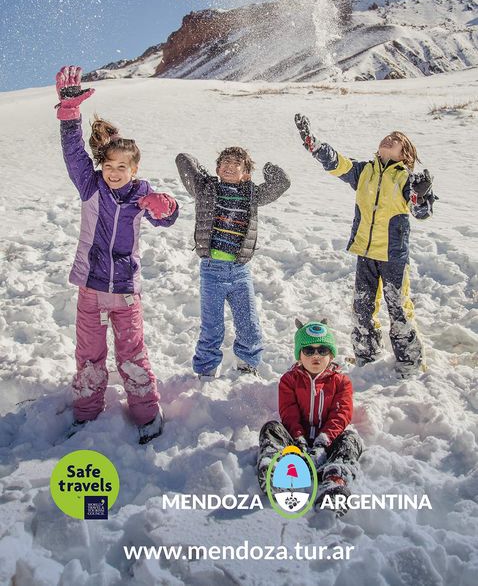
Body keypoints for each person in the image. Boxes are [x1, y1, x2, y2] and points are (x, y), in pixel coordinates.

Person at [55, 65, 179, 443]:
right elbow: (74, 153)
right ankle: (86, 412)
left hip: (126, 290)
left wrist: (166, 206)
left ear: (134, 169)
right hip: (91, 288)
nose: (113, 172)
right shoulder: (91, 186)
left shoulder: (141, 194)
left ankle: (146, 414)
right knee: (89, 355)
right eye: (108, 166)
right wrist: (69, 112)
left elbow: (165, 217)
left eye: (121, 167)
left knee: (132, 354)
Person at [295, 115, 436, 377]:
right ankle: (366, 355)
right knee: (362, 307)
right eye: (387, 137)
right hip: (365, 253)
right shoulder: (364, 171)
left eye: (396, 140)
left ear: (405, 154)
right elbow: (337, 163)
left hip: (393, 255)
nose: (389, 139)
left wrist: (422, 194)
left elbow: (421, 212)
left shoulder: (407, 179)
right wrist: (314, 144)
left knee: (398, 307)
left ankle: (409, 362)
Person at [175, 147, 290, 377]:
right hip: (211, 271)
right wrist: (205, 175)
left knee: (249, 325)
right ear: (218, 169)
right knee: (212, 327)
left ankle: (247, 366)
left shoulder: (252, 195)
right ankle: (206, 371)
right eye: (224, 162)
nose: (229, 166)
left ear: (245, 173)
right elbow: (183, 160)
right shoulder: (206, 189)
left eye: (236, 164)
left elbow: (282, 183)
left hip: (240, 272)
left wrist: (267, 168)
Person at [257, 319, 362, 507]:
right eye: (308, 350)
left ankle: (335, 480)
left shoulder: (341, 382)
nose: (316, 355)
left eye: (322, 350)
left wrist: (324, 441)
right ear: (299, 355)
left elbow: (341, 414)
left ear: (331, 355)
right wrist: (299, 438)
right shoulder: (289, 380)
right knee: (271, 428)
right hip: (296, 444)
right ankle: (275, 471)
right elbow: (288, 411)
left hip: (328, 444)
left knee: (350, 439)